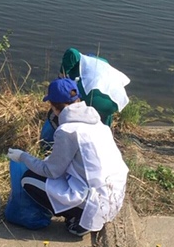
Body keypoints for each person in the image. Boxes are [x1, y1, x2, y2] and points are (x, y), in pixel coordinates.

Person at [7, 78, 129, 237]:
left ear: (53, 106)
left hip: (95, 202)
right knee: (54, 178)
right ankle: (82, 213)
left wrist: (23, 157)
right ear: (78, 100)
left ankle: (79, 220)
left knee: (28, 179)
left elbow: (51, 171)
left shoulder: (67, 130)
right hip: (114, 198)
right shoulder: (98, 124)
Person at [59, 47, 130, 126]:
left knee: (71, 99)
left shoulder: (81, 59)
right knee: (104, 118)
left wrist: (61, 75)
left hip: (93, 95)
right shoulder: (103, 63)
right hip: (116, 101)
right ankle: (105, 131)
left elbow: (72, 52)